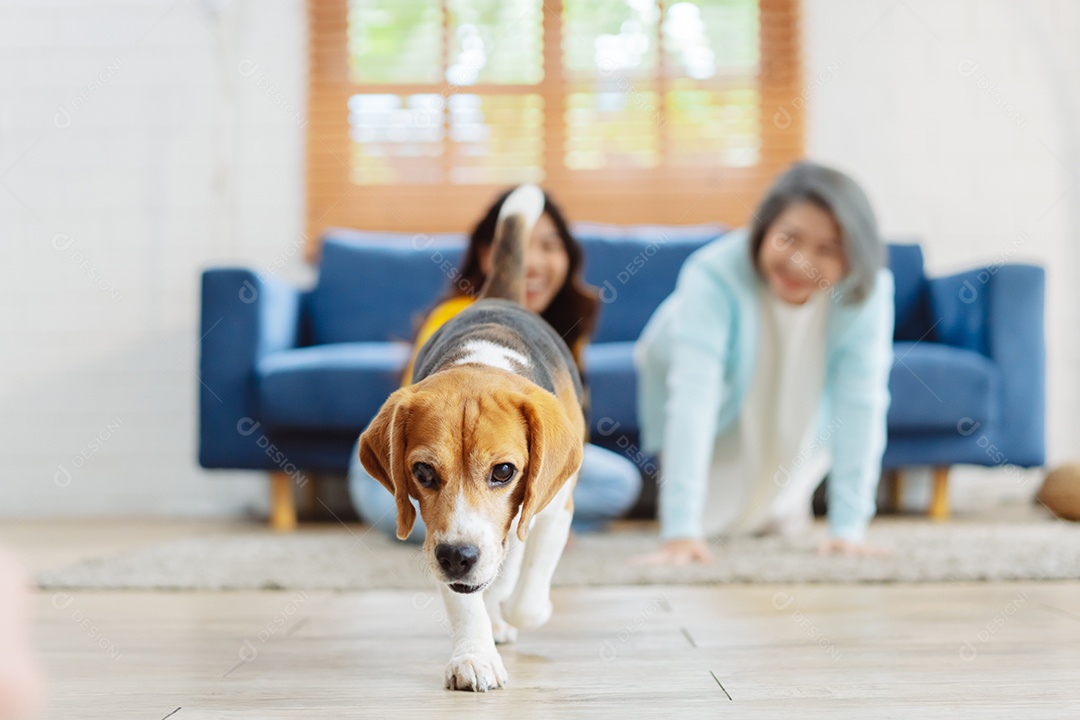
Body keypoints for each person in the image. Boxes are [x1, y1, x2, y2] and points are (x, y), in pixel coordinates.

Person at [634, 161, 895, 565]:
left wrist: (848, 527)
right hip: (683, 359)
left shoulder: (868, 292)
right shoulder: (713, 273)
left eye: (827, 250)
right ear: (763, 228)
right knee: (714, 516)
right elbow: (693, 398)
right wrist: (680, 530)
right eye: (789, 238)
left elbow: (861, 403)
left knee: (776, 515)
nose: (801, 262)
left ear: (852, 257)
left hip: (789, 380)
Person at [349, 187, 642, 542]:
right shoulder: (458, 318)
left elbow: (572, 428)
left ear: (568, 258)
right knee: (447, 531)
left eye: (548, 246)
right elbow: (432, 414)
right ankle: (491, 532)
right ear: (491, 257)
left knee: (619, 482)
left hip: (489, 467)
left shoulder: (560, 333)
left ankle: (513, 528)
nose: (532, 263)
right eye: (521, 248)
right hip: (405, 464)